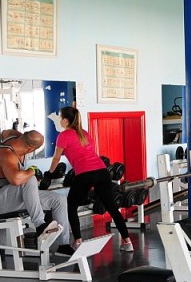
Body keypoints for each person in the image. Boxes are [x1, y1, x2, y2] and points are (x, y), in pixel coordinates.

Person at [48, 106, 133, 253]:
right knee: (112, 208)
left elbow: (56, 158)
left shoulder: (63, 136)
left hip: (85, 174)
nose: (59, 120)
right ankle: (128, 242)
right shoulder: (84, 133)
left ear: (66, 120)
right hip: (102, 171)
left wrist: (49, 174)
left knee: (71, 206)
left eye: (60, 117)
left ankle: (78, 242)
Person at [0, 130, 73, 255]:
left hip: (14, 198)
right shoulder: (6, 154)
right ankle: (40, 226)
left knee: (59, 200)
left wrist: (26, 136)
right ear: (30, 150)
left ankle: (63, 245)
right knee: (29, 178)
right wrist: (32, 171)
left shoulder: (16, 137)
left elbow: (5, 132)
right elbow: (15, 179)